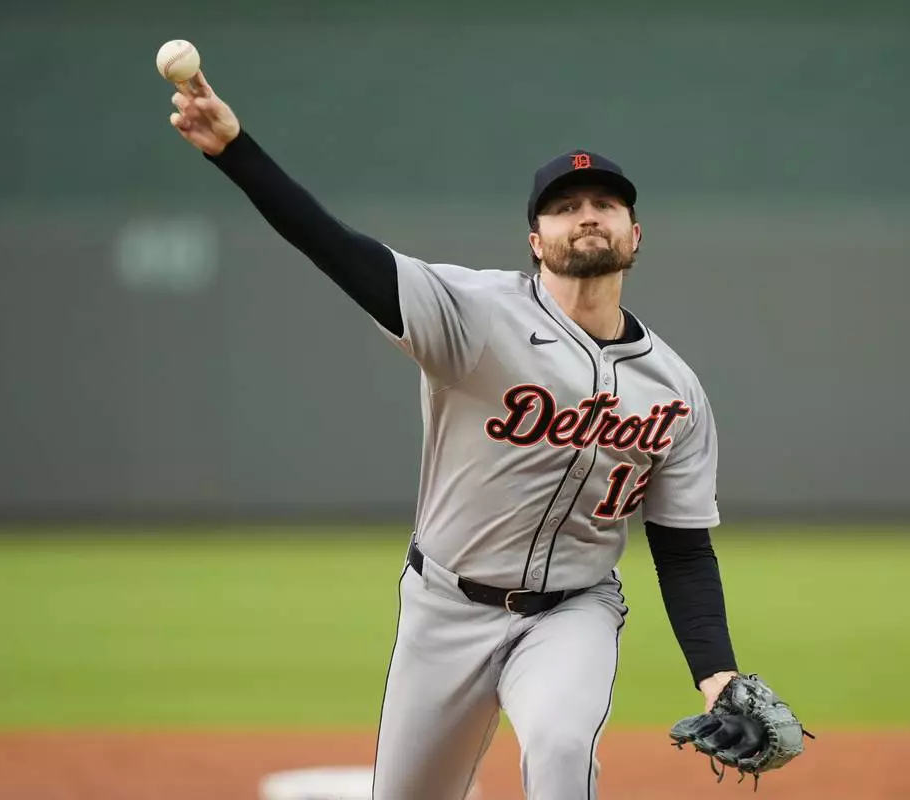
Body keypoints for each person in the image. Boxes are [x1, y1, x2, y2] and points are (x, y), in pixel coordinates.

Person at [169, 72, 747, 800]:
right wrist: (235, 151)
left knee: (564, 749)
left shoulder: (676, 390)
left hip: (573, 611)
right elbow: (338, 250)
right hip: (444, 608)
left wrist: (717, 675)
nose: (588, 215)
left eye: (606, 203)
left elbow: (685, 551)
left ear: (636, 234)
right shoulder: (472, 315)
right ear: (536, 240)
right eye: (565, 208)